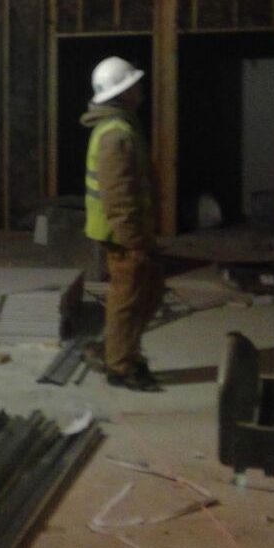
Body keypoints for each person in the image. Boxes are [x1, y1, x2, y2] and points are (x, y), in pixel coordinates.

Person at [81, 56, 165, 392]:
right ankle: (120, 366)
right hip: (121, 234)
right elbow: (118, 195)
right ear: (122, 92)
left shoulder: (120, 127)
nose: (140, 90)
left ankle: (121, 351)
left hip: (127, 231)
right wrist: (134, 241)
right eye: (134, 85)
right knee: (127, 299)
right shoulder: (115, 135)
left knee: (146, 293)